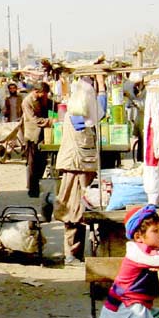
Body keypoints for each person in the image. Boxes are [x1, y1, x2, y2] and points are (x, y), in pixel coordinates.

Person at [53, 74, 106, 262]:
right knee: (73, 210)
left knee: (82, 211)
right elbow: (99, 114)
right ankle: (71, 254)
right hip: (76, 167)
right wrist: (101, 87)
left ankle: (77, 253)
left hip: (81, 166)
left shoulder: (79, 112)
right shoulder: (76, 115)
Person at [22, 81, 57, 197]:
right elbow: (34, 120)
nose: (45, 96)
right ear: (36, 92)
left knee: (42, 162)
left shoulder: (44, 99)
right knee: (33, 164)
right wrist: (50, 121)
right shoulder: (27, 102)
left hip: (43, 135)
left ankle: (38, 186)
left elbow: (54, 106)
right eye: (44, 94)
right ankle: (32, 190)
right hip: (32, 136)